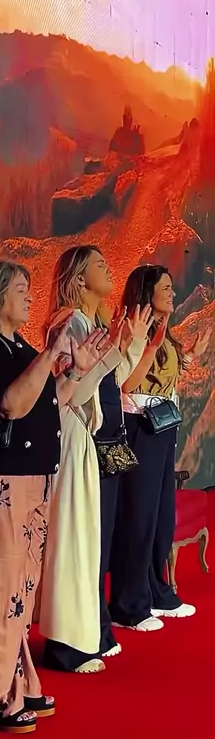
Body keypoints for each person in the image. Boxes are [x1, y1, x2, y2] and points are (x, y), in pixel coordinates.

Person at [0, 257, 110, 733]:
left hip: (30, 478)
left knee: (20, 591)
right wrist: (51, 354)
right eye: (21, 289)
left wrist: (77, 371)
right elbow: (11, 404)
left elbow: (49, 402)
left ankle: (19, 682)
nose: (29, 296)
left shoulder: (17, 344)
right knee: (0, 588)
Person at [39, 246, 150, 674]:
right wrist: (111, 354)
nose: (108, 268)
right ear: (80, 278)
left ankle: (82, 637)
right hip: (71, 433)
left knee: (86, 541)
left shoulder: (87, 322)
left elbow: (105, 384)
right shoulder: (70, 322)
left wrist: (126, 345)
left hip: (85, 434)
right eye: (99, 264)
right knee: (73, 538)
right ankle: (66, 646)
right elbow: (72, 392)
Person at [109, 264, 210, 630]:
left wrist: (191, 354)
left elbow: (165, 373)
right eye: (165, 288)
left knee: (160, 516)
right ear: (146, 293)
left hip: (163, 426)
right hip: (140, 425)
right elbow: (128, 382)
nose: (172, 292)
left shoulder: (161, 330)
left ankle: (156, 592)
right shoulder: (135, 328)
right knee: (138, 517)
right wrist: (151, 345)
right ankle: (129, 604)